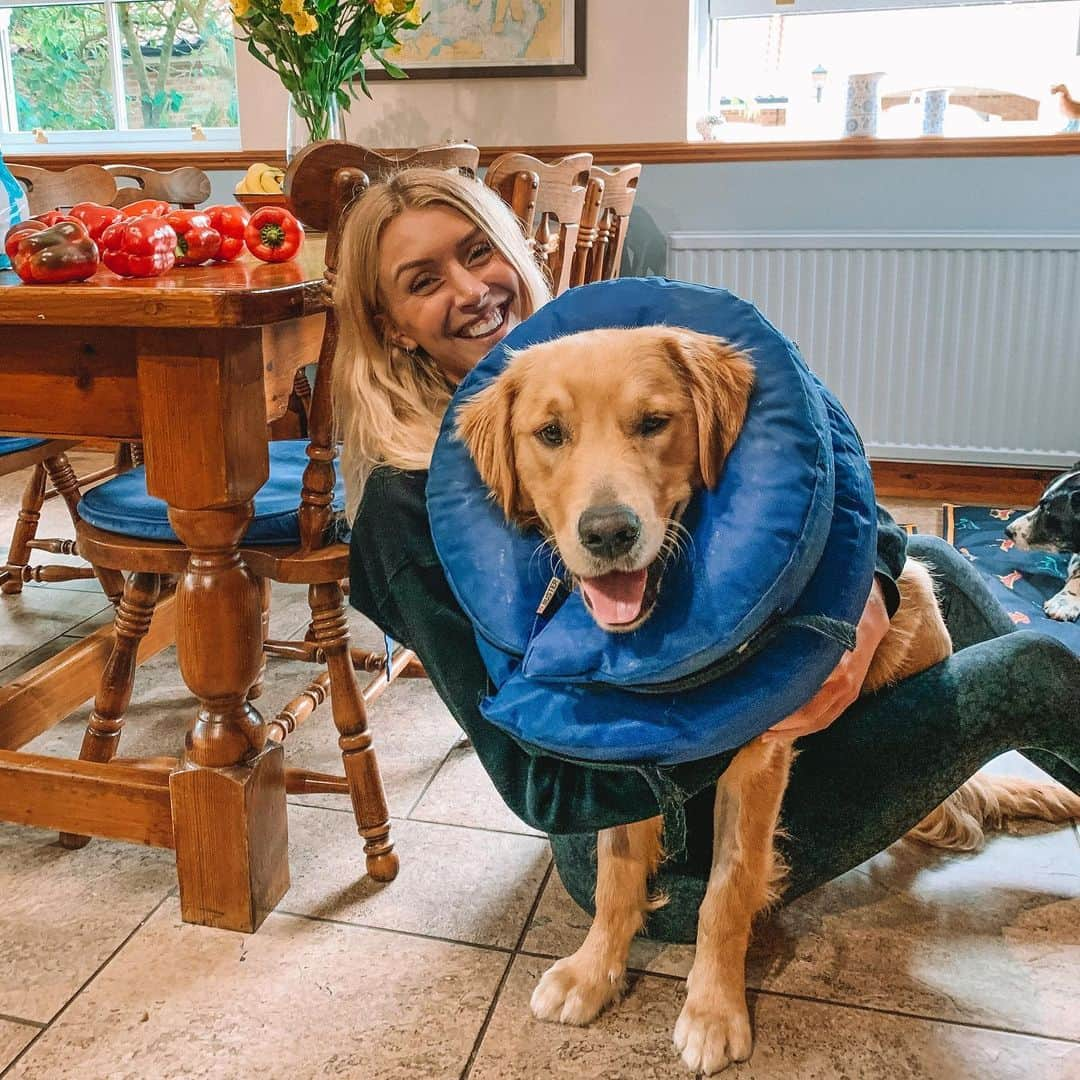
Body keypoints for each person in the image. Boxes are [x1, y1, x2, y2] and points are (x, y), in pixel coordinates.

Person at [335, 167, 1079, 933]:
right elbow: (542, 789)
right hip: (650, 841)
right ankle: (948, 790)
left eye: (478, 251)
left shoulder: (609, 363)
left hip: (770, 752)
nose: (469, 289)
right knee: (1035, 669)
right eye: (423, 281)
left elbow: (834, 508)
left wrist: (862, 607)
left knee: (938, 567)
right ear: (390, 323)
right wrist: (771, 695)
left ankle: (951, 791)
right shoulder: (405, 509)